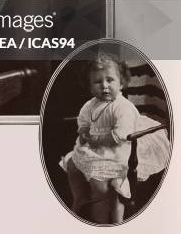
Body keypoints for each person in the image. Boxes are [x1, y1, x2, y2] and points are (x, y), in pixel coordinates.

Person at [60, 52, 170, 224]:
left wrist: (97, 139)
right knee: (73, 165)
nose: (104, 86)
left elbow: (121, 135)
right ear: (90, 86)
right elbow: (83, 120)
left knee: (99, 185)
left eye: (110, 80)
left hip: (118, 150)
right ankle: (80, 198)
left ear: (121, 83)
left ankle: (103, 216)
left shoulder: (122, 108)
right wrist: (83, 130)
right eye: (97, 82)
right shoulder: (90, 105)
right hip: (95, 149)